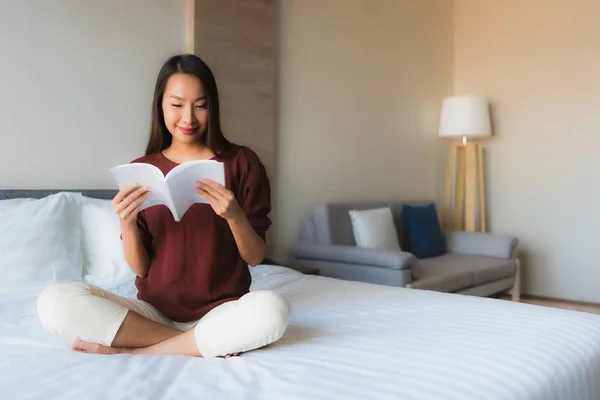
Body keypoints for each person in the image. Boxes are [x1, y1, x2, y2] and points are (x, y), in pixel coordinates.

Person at [36, 54, 291, 358]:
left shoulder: (241, 163)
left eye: (200, 105)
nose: (189, 118)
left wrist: (234, 216)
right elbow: (141, 267)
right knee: (54, 301)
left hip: (222, 312)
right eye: (177, 104)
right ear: (161, 105)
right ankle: (197, 343)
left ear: (213, 106)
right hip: (152, 315)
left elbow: (254, 256)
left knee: (273, 310)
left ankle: (134, 351)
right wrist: (127, 223)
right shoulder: (141, 171)